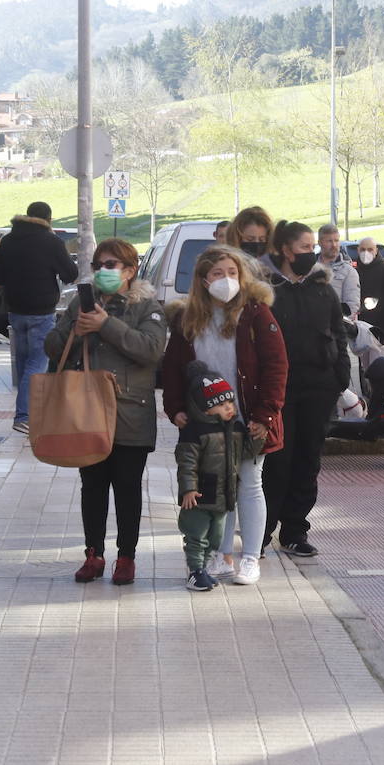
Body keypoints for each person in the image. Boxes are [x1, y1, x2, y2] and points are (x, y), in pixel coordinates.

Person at [162, 245, 287, 585]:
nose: (226, 280)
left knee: (249, 484)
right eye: (218, 274)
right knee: (219, 488)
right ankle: (223, 555)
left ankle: (251, 556)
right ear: (203, 280)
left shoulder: (256, 313)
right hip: (206, 423)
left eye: (232, 273)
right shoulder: (188, 319)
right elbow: (174, 369)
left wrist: (265, 415)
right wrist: (175, 409)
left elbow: (277, 366)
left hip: (249, 418)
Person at [47, 238, 167, 587]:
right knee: (92, 487)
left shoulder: (147, 306)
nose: (103, 271)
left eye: (111, 265)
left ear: (130, 270)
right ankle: (93, 554)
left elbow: (151, 350)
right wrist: (76, 327)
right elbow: (53, 347)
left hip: (130, 412)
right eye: (99, 265)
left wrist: (106, 326)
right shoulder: (81, 304)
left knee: (128, 487)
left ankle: (126, 557)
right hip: (86, 412)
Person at [258, 220, 351, 558]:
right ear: (285, 250)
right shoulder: (266, 291)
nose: (311, 253)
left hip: (318, 388)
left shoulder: (322, 288)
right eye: (304, 247)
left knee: (307, 462)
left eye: (313, 247)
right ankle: (263, 531)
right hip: (279, 392)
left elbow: (339, 334)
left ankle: (295, 530)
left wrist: (341, 376)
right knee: (276, 463)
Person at [0, 202, 79, 434]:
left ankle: (29, 412)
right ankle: (24, 416)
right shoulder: (51, 242)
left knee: (23, 363)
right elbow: (71, 273)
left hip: (15, 309)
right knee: (36, 364)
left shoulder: (9, 240)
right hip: (41, 311)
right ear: (48, 219)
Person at [175, 362, 264, 591]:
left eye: (230, 403)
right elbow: (187, 463)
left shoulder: (234, 429)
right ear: (205, 409)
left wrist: (256, 438)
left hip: (222, 497)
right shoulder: (194, 432)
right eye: (221, 405)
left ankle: (204, 569)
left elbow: (245, 453)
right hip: (198, 497)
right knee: (197, 536)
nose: (229, 409)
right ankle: (195, 571)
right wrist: (188, 489)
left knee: (216, 539)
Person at [354, 236, 384, 343]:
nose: (366, 253)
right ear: (358, 251)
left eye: (370, 249)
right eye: (363, 249)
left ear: (376, 251)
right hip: (359, 331)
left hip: (381, 331)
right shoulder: (354, 273)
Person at [317, 224, 361, 316]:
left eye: (336, 240)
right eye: (329, 241)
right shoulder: (310, 268)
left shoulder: (348, 271)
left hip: (338, 326)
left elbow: (352, 306)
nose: (334, 245)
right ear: (320, 242)